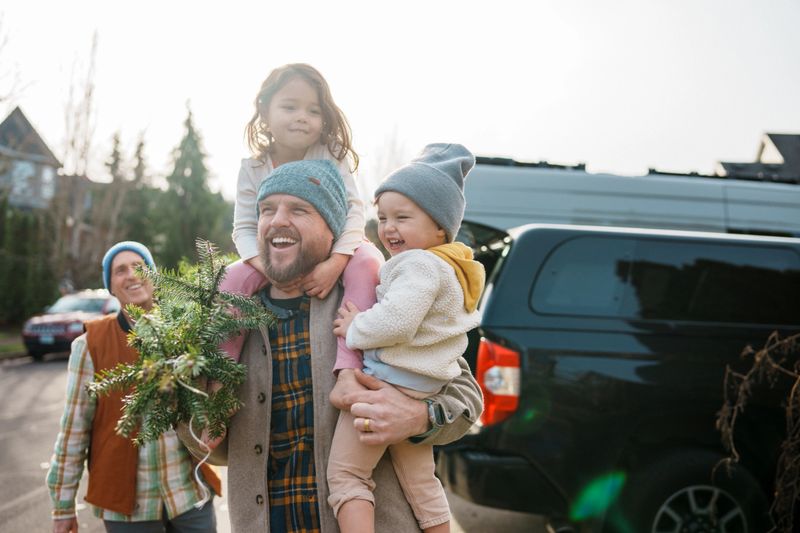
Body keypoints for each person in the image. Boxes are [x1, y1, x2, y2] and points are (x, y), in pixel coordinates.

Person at [181, 159, 483, 533]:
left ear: (333, 226)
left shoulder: (378, 299)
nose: (277, 221)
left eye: (299, 209)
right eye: (266, 210)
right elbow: (214, 448)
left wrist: (420, 418)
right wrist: (181, 395)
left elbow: (466, 396)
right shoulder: (228, 320)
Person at [328, 144, 485, 533]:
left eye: (402, 217)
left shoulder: (418, 264)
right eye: (382, 217)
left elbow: (397, 320)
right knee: (422, 483)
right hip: (422, 387)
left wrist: (356, 327)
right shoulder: (450, 268)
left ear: (439, 228)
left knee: (348, 476)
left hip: (391, 382)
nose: (388, 228)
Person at [221, 63, 381, 381]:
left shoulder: (331, 154)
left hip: (337, 247)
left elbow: (354, 212)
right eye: (290, 107)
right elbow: (244, 227)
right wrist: (270, 270)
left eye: (313, 110)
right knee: (233, 278)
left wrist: (336, 262)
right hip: (275, 255)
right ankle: (219, 371)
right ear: (265, 112)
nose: (301, 117)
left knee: (368, 263)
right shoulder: (253, 167)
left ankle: (350, 364)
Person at [47, 241, 221, 533]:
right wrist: (62, 506)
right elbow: (73, 430)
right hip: (129, 508)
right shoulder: (90, 345)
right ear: (111, 287)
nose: (132, 274)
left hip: (190, 496)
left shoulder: (185, 331)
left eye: (140, 266)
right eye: (120, 270)